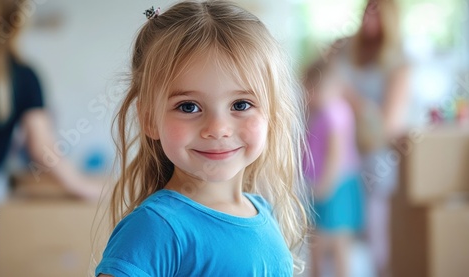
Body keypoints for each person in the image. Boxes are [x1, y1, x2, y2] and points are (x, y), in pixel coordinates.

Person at [95, 1, 309, 276]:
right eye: (189, 107)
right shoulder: (155, 228)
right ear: (149, 118)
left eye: (241, 105)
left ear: (272, 112)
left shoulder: (262, 210)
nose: (218, 128)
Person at [0, 1, 102, 275]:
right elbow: (42, 147)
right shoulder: (20, 76)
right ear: (17, 23)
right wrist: (83, 186)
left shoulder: (13, 76)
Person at [333, 0, 411, 276]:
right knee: (337, 228)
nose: (367, 20)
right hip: (340, 153)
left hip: (376, 158)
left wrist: (351, 99)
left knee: (376, 233)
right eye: (366, 13)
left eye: (375, 15)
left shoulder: (399, 64)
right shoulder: (345, 49)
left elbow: (386, 127)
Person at [303, 59, 364, 277]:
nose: (307, 94)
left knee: (337, 242)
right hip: (323, 184)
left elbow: (335, 154)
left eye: (312, 88)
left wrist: (324, 186)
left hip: (334, 185)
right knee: (319, 241)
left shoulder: (333, 112)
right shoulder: (321, 112)